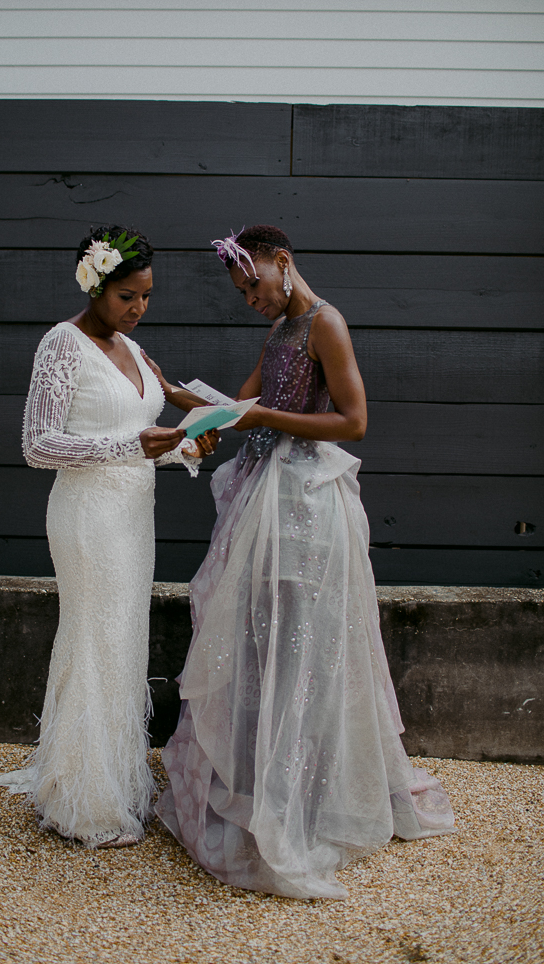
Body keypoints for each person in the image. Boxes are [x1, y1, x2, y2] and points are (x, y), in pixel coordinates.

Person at [150, 225, 454, 898]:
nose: (250, 299)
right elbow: (236, 410)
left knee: (299, 645)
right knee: (258, 642)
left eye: (252, 285)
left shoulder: (325, 323)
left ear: (280, 263)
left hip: (307, 505)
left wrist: (265, 419)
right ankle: (263, 782)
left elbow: (354, 422)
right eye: (242, 292)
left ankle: (302, 795)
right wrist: (175, 397)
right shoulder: (279, 332)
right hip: (265, 499)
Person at [0, 225, 217, 848]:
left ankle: (111, 776)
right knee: (93, 641)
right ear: (93, 284)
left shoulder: (138, 352)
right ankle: (83, 798)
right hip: (86, 517)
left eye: (146, 296)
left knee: (122, 643)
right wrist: (129, 445)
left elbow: (147, 441)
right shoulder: (61, 345)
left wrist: (187, 445)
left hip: (132, 516)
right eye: (126, 296)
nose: (138, 308)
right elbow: (37, 445)